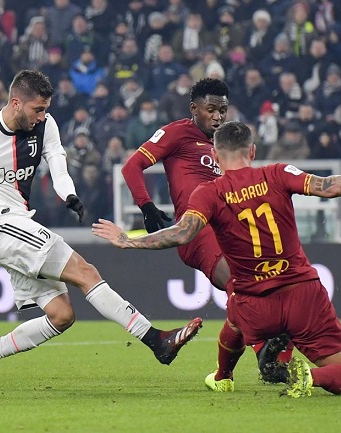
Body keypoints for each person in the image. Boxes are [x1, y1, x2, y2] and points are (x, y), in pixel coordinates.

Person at [0, 69, 202, 388]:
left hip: (19, 226)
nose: (42, 116)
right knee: (86, 272)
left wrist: (68, 193)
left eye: (45, 109)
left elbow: (56, 158)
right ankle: (155, 339)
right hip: (0, 225)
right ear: (15, 103)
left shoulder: (45, 124)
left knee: (62, 315)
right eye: (37, 109)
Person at [94, 120, 341, 397]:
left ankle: (223, 377)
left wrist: (129, 241)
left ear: (215, 155)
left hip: (254, 306)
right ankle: (309, 376)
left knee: (235, 317)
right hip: (302, 294)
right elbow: (329, 186)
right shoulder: (278, 173)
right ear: (253, 151)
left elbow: (181, 234)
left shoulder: (208, 193)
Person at [121, 78, 292, 390]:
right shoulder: (176, 133)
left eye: (222, 110)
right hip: (197, 229)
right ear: (194, 108)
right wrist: (146, 206)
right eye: (211, 109)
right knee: (241, 285)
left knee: (262, 288)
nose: (217, 116)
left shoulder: (225, 144)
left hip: (230, 229)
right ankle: (264, 351)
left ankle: (227, 375)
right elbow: (131, 166)